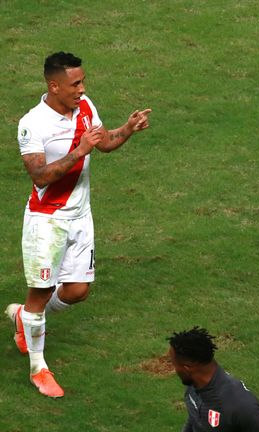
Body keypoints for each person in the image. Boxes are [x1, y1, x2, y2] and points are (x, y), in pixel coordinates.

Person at [5, 51, 152, 398]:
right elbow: (40, 177)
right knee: (40, 295)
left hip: (80, 217)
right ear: (54, 85)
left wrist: (127, 129)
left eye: (83, 81)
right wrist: (79, 151)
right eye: (75, 83)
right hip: (48, 221)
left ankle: (22, 319)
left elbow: (104, 143)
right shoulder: (32, 124)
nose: (82, 88)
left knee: (76, 291)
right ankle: (39, 369)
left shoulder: (85, 106)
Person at [168, 327, 259, 432]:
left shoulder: (240, 405)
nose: (175, 370)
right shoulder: (194, 385)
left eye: (174, 365)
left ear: (187, 369)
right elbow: (195, 418)